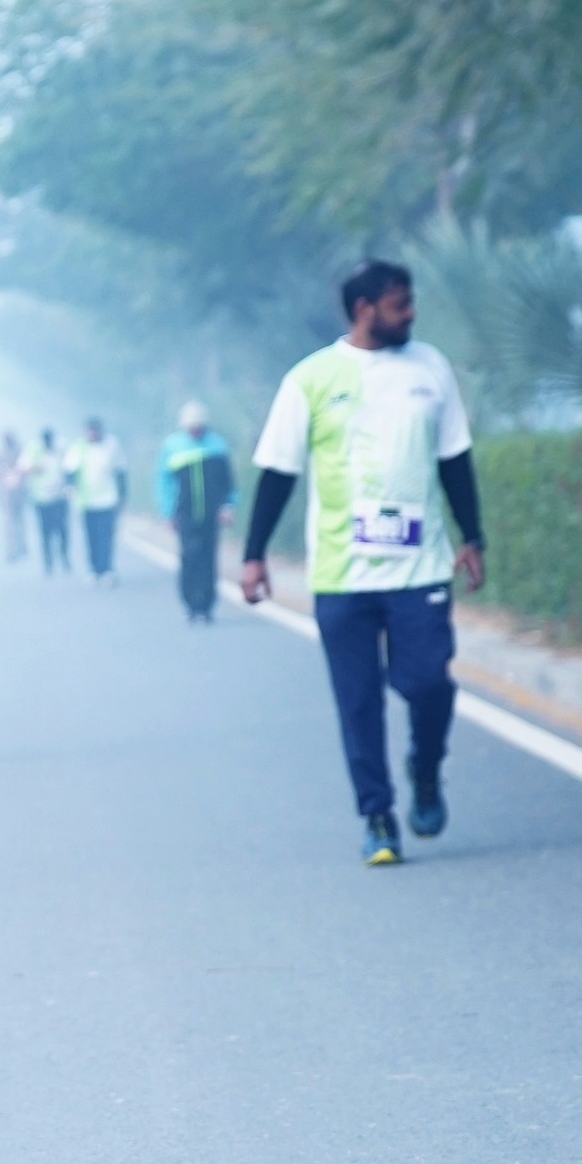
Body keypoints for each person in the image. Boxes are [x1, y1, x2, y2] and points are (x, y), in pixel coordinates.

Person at [239, 259, 484, 865]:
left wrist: (473, 537)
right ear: (364, 309)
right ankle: (377, 816)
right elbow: (278, 472)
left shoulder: (430, 369)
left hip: (420, 568)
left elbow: (454, 458)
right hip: (341, 574)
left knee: (427, 682)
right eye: (400, 304)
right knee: (358, 701)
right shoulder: (311, 378)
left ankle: (425, 768)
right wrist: (254, 555)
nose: (412, 313)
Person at [157, 402, 234, 622]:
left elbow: (227, 481)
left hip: (212, 514)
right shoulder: (172, 447)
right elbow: (164, 483)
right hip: (185, 515)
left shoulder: (217, 445)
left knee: (209, 559)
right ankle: (190, 603)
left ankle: (207, 605)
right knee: (189, 558)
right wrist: (168, 513)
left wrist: (228, 506)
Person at [68, 416, 126, 582]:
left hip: (108, 499)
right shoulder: (79, 447)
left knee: (106, 536)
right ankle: (94, 568)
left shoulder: (112, 445)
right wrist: (71, 489)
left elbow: (120, 471)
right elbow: (70, 470)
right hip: (87, 501)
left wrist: (122, 495)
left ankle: (107, 568)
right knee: (91, 536)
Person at [24, 428, 71, 572]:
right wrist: (36, 468)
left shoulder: (61, 448)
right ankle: (48, 562)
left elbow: (70, 467)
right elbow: (24, 467)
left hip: (59, 497)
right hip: (42, 499)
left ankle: (64, 558)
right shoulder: (34, 449)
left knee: (62, 531)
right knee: (45, 533)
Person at [0, 430, 29, 563]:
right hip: (7, 496)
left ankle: (21, 546)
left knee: (19, 523)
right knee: (10, 525)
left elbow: (25, 471)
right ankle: (12, 549)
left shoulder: (19, 453)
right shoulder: (0, 455)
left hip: (18, 495)